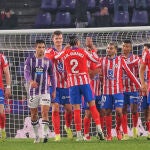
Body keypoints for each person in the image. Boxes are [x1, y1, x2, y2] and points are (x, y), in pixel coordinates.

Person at [54, 35, 104, 141]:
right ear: (77, 43)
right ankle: (99, 129)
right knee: (92, 106)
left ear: (69, 43)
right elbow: (95, 59)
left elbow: (56, 57)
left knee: (76, 109)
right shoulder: (82, 51)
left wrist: (65, 49)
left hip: (72, 84)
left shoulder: (65, 52)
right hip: (84, 82)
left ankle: (79, 134)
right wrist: (93, 50)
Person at [100, 42, 141, 141]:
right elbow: (95, 70)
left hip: (118, 91)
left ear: (115, 50)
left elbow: (130, 73)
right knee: (108, 112)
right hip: (106, 91)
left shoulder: (120, 60)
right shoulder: (102, 60)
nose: (108, 50)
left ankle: (118, 129)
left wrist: (139, 85)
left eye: (111, 48)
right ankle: (109, 134)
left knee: (119, 112)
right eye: (107, 48)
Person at [24, 39, 56, 143]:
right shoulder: (30, 60)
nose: (41, 49)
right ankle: (37, 135)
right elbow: (26, 73)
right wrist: (30, 81)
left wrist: (54, 89)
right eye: (39, 47)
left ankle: (46, 134)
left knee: (44, 112)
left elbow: (52, 76)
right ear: (35, 48)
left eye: (43, 47)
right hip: (33, 92)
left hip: (45, 91)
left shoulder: (48, 61)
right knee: (33, 115)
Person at [45, 30, 73, 141]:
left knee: (69, 109)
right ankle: (57, 135)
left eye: (60, 38)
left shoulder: (68, 51)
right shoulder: (49, 51)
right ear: (53, 40)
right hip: (53, 85)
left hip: (66, 84)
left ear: (62, 39)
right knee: (55, 108)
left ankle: (67, 126)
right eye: (56, 38)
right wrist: (65, 51)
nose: (58, 40)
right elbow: (53, 59)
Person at [121, 40, 140, 140]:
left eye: (127, 46)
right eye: (124, 46)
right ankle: (125, 133)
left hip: (133, 89)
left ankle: (135, 129)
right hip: (122, 89)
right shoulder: (118, 58)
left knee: (134, 110)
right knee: (123, 110)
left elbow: (136, 67)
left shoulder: (136, 58)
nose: (125, 48)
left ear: (131, 48)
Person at [139, 43, 150, 140]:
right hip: (146, 88)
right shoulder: (146, 55)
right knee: (146, 111)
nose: (144, 51)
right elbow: (141, 70)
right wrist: (142, 84)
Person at [0, 53, 11, 141]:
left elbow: (7, 72)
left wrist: (8, 87)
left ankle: (2, 130)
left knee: (1, 112)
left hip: (0, 88)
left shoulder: (2, 57)